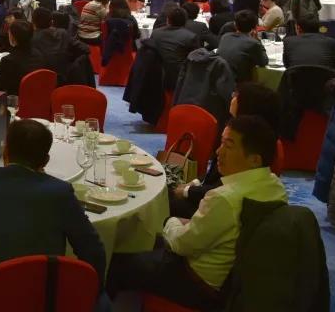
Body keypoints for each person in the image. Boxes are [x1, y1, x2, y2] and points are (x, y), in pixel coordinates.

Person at [107, 115, 287, 308]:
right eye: (221, 143)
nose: (218, 152)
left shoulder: (225, 198)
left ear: (254, 160)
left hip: (199, 284)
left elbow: (182, 245)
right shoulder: (276, 187)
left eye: (228, 146)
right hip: (238, 279)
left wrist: (171, 222)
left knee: (115, 262)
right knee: (148, 241)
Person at [0, 119, 107, 312]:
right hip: (43, 300)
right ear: (45, 161)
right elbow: (93, 250)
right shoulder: (58, 192)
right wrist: (93, 292)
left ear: (5, 151)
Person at [169, 83, 281, 219]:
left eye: (237, 96)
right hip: (210, 194)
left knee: (165, 202)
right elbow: (213, 174)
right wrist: (193, 184)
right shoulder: (235, 132)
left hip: (216, 205)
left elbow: (221, 188)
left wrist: (187, 191)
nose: (232, 96)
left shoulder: (248, 144)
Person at [0, 19, 47, 96]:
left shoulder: (8, 61)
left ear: (12, 37)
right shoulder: (40, 54)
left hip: (15, 100)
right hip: (38, 97)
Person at [216, 11, 269, 83]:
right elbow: (264, 62)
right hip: (238, 84)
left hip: (219, 79)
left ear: (235, 25)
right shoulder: (253, 43)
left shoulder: (225, 36)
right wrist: (258, 40)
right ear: (255, 27)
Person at [149, 4, 200, 77]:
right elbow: (196, 59)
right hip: (180, 75)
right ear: (185, 21)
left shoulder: (156, 33)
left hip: (157, 73)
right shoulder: (191, 36)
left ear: (168, 20)